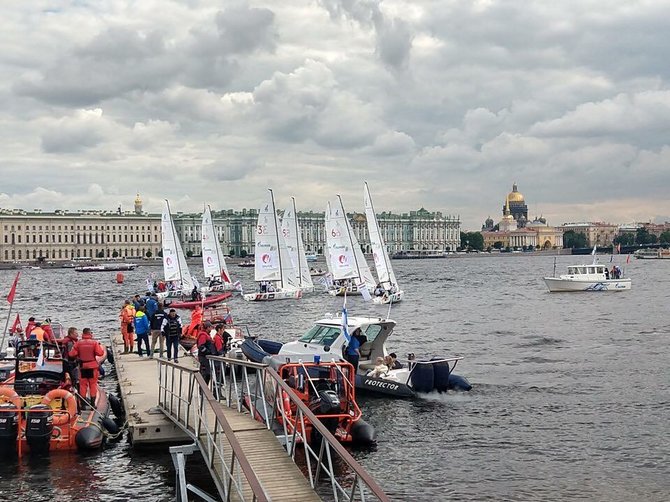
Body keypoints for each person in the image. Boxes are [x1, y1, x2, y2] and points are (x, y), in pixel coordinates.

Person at [69, 328, 105, 409]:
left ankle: (83, 405)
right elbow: (100, 353)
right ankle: (93, 404)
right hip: (92, 367)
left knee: (83, 386)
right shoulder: (94, 343)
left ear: (83, 333)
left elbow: (71, 354)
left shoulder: (78, 343)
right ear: (90, 333)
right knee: (93, 385)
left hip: (83, 367)